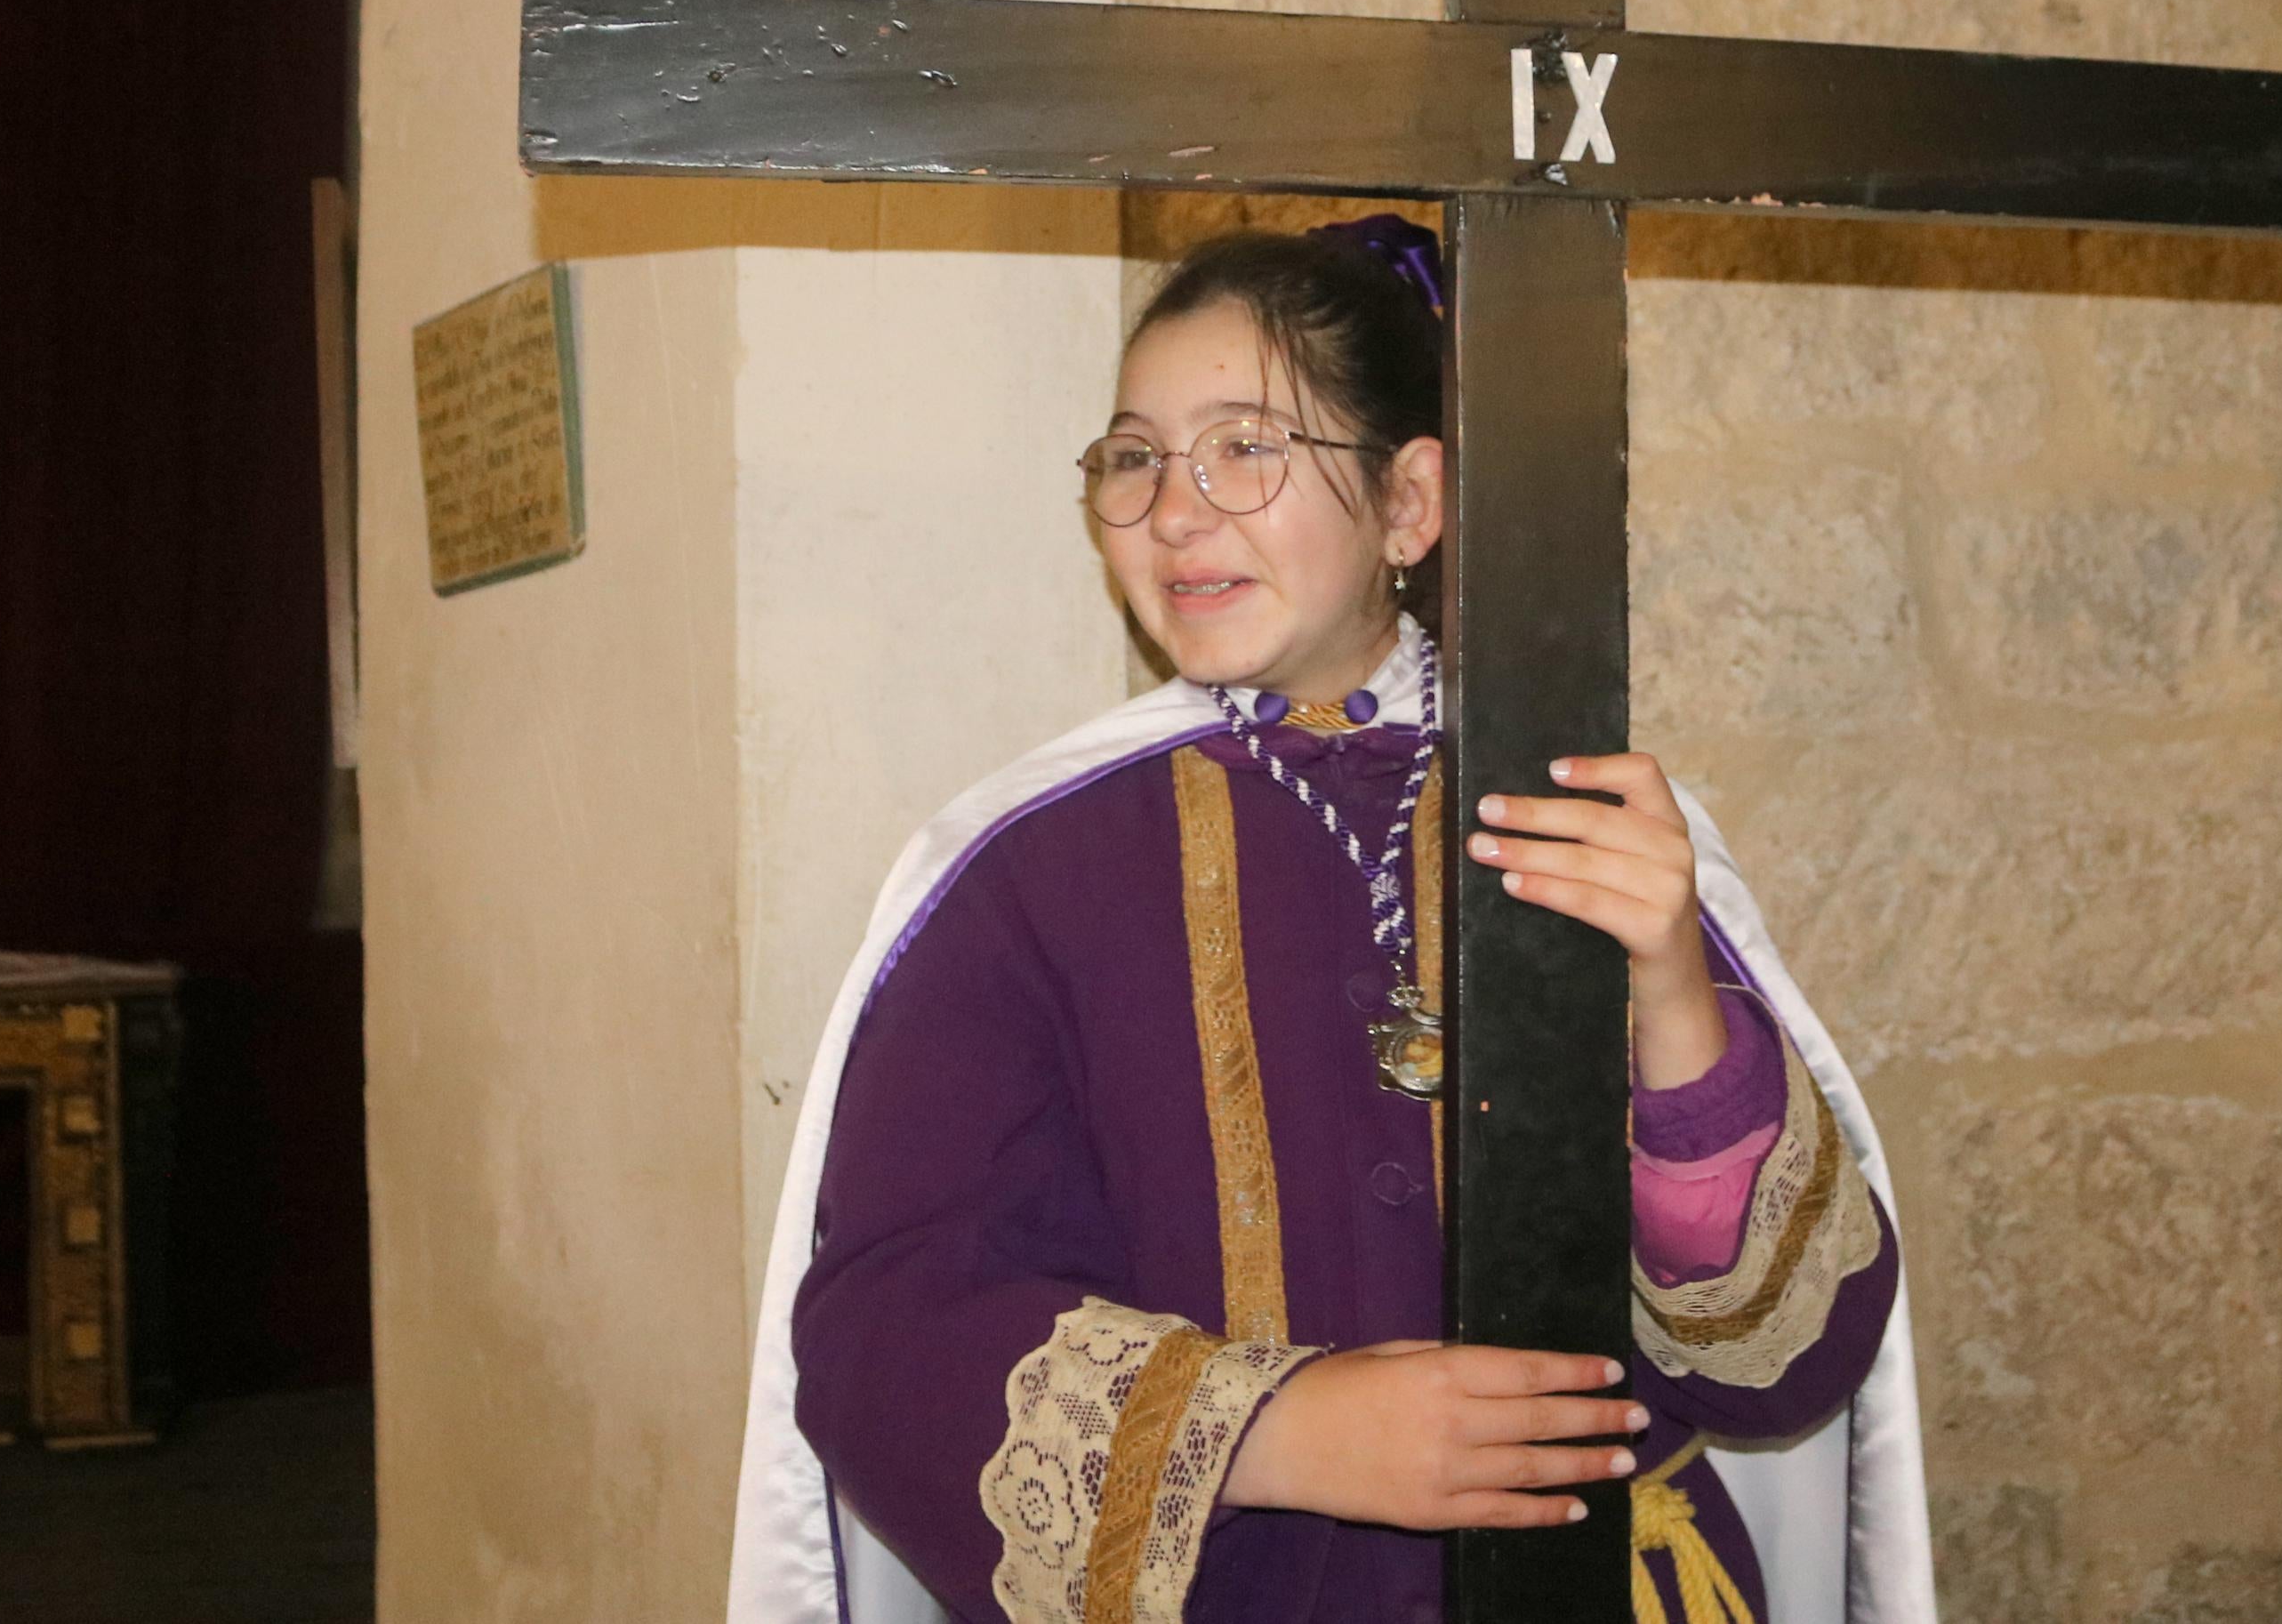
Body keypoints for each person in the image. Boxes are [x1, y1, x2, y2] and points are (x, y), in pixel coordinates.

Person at [731, 222, 1935, 1624]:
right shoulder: (1019, 875)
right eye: (1134, 459)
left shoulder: (1581, 810)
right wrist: (1276, 1430)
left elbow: (1784, 1360)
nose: (1176, 512)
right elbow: (889, 1335)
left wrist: (1671, 985)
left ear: (1408, 502)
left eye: (1246, 447)